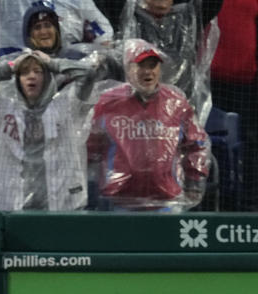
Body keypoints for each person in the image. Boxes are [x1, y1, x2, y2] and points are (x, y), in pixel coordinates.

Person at [0, 50, 98, 211]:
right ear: (18, 80)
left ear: (47, 78)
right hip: (9, 206)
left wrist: (52, 63)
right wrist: (11, 66)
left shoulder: (67, 106)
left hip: (61, 205)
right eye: (24, 72)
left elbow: (87, 74)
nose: (31, 76)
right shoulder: (3, 108)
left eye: (38, 72)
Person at [88, 39, 210, 211]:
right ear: (128, 69)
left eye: (152, 66)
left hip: (167, 201)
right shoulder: (108, 102)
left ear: (159, 69)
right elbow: (91, 145)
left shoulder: (176, 103)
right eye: (141, 66)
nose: (148, 72)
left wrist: (194, 182)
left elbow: (197, 144)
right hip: (118, 201)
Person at [119, 0, 224, 118]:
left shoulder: (190, 16)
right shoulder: (127, 13)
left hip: (180, 111)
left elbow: (213, 3)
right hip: (133, 113)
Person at [210, 0, 258, 210]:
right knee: (208, 141)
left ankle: (249, 204)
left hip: (249, 82)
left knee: (250, 141)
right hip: (210, 80)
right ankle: (214, 200)